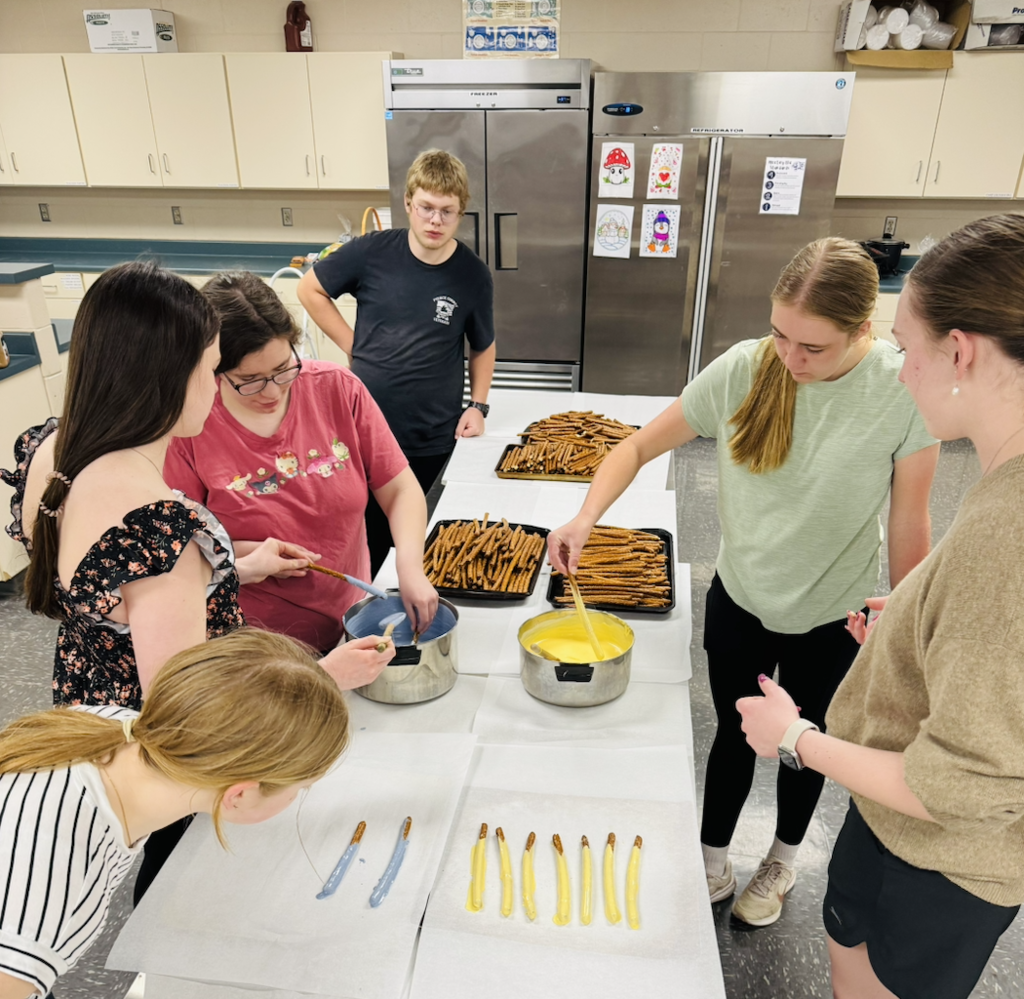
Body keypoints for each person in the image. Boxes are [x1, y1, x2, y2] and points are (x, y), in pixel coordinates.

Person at [548, 238, 939, 927]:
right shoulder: (744, 369)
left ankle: (783, 857)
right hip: (742, 600)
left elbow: (911, 520)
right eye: (780, 335)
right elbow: (636, 444)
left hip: (834, 615)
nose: (790, 358)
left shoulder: (901, 390)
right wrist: (585, 516)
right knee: (732, 733)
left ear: (863, 330)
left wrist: (907, 630)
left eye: (812, 347)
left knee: (804, 745)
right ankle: (711, 856)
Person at [738, 215, 1024, 999]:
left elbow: (955, 787)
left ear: (961, 351)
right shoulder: (1002, 484)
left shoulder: (1007, 533)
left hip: (940, 868)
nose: (901, 375)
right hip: (896, 837)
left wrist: (796, 737)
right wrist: (916, 619)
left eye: (907, 348)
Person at [0, 628, 350, 999]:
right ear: (239, 794)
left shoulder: (118, 727)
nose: (298, 798)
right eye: (301, 789)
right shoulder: (42, 895)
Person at [164, 271, 438, 650]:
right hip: (254, 645)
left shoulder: (337, 388)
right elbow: (178, 550)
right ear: (213, 368)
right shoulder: (189, 425)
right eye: (250, 380)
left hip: (350, 619)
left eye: (283, 370)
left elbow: (400, 489)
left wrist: (409, 568)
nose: (272, 392)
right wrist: (245, 560)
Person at [298, 148, 496, 575]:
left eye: (447, 211)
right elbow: (309, 290)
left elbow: (482, 345)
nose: (435, 221)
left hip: (433, 436)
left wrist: (478, 406)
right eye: (426, 207)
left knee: (421, 545)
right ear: (408, 203)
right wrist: (353, 345)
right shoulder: (370, 252)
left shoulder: (472, 274)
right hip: (365, 430)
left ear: (461, 213)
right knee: (367, 543)